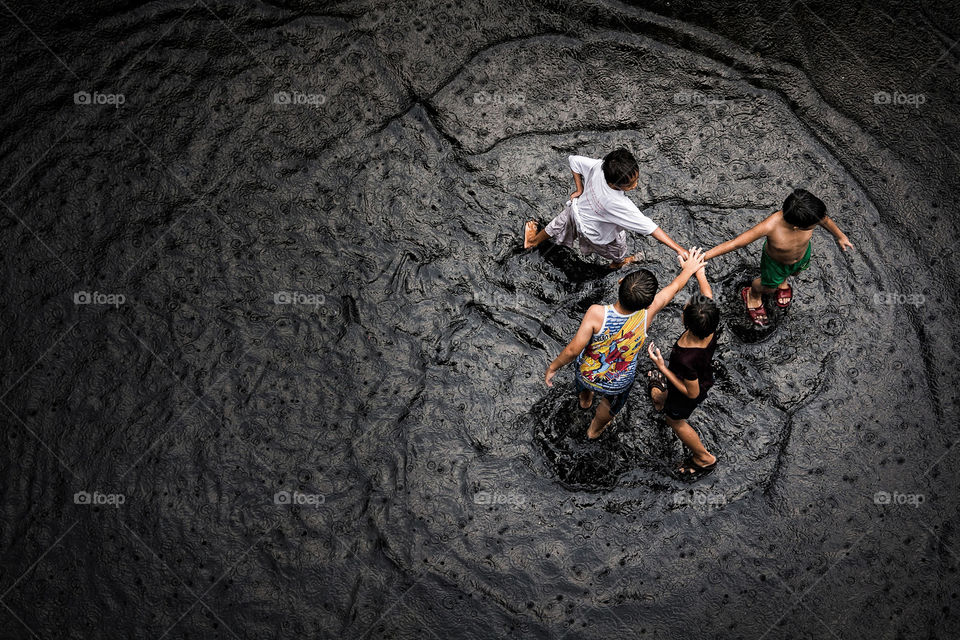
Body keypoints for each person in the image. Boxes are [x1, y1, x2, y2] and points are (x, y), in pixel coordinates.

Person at [544, 248, 707, 439]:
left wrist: (553, 367)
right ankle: (594, 430)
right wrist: (688, 270)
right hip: (618, 381)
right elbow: (673, 288)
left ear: (620, 282)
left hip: (588, 372)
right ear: (647, 304)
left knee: (585, 380)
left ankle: (585, 401)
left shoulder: (597, 313)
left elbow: (573, 350)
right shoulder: (647, 313)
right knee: (608, 405)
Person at [702, 188, 853, 325]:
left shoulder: (811, 215)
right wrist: (703, 257)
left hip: (801, 256)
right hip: (776, 263)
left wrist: (840, 236)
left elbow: (825, 220)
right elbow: (736, 243)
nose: (819, 223)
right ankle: (752, 295)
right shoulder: (771, 226)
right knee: (768, 287)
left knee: (795, 272)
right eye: (814, 225)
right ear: (797, 227)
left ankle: (783, 280)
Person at [524, 148, 688, 269]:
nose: (635, 185)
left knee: (555, 225)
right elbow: (651, 228)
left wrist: (579, 189)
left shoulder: (599, 167)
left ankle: (532, 241)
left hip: (576, 213)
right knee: (618, 251)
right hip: (596, 235)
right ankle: (617, 264)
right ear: (613, 184)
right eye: (630, 184)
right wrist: (679, 249)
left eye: (636, 179)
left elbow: (573, 161)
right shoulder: (618, 204)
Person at [645, 260, 720, 480]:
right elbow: (708, 295)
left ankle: (704, 458)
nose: (685, 305)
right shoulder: (710, 328)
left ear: (685, 321)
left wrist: (662, 368)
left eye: (685, 307)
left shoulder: (685, 356)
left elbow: (692, 393)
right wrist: (700, 273)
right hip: (702, 374)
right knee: (668, 397)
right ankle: (660, 398)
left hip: (690, 389)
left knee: (674, 421)